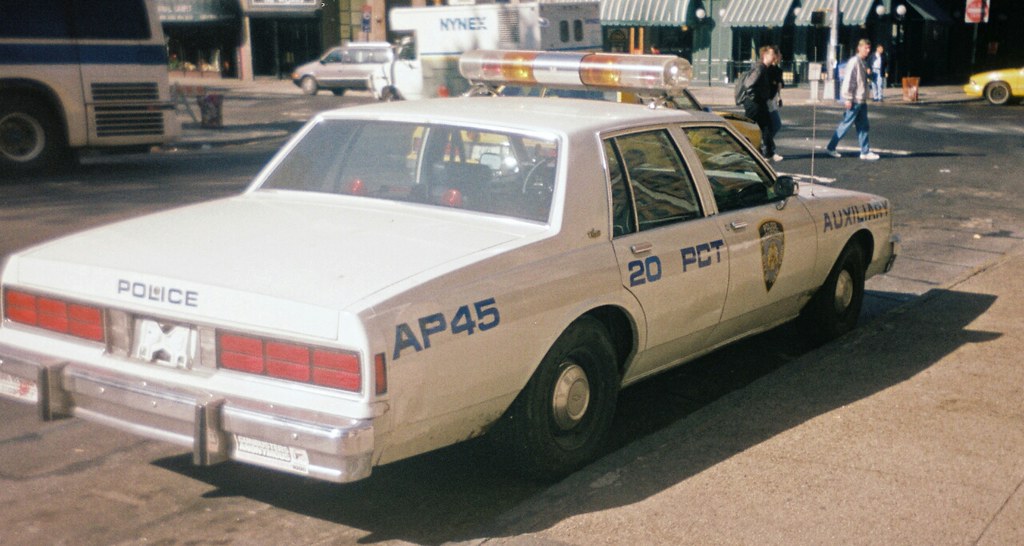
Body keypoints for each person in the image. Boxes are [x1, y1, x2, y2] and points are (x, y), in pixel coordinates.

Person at [825, 39, 880, 161]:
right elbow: (849, 80)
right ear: (859, 48)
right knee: (846, 124)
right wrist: (848, 98)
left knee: (863, 126)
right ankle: (831, 147)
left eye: (869, 48)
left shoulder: (863, 62)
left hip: (861, 99)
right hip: (855, 100)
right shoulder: (854, 62)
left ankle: (865, 151)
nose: (868, 50)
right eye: (866, 48)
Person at [739, 46, 779, 161]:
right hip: (754, 103)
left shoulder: (764, 68)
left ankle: (768, 153)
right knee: (747, 126)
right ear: (765, 56)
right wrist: (754, 96)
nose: (774, 57)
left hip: (759, 103)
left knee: (766, 126)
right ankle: (741, 149)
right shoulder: (759, 68)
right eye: (772, 55)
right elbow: (748, 84)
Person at [765, 45, 785, 161]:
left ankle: (768, 149)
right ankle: (767, 148)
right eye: (779, 54)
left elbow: (779, 84)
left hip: (772, 100)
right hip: (767, 101)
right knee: (775, 124)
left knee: (773, 125)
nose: (781, 56)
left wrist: (779, 97)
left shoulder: (778, 70)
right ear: (775, 56)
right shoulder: (768, 69)